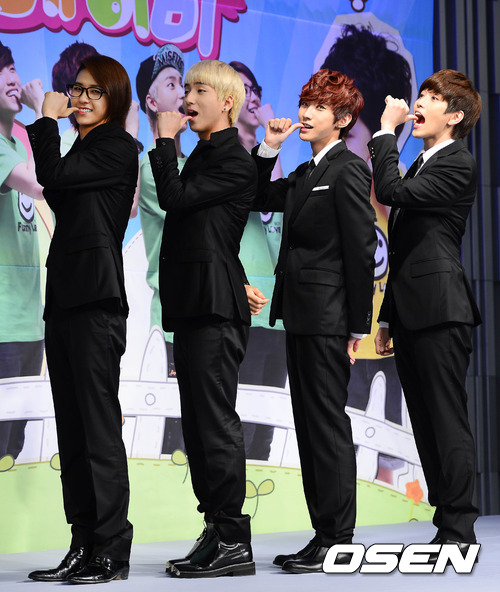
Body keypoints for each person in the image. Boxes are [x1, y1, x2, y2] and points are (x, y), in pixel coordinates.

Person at [248, 69, 376, 573]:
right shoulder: (304, 171)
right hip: (299, 315)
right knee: (308, 426)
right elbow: (257, 197)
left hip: (329, 318)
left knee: (326, 425)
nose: (305, 113)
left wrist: (358, 326)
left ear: (342, 119)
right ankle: (323, 534)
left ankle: (338, 539)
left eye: (319, 106)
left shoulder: (349, 169)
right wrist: (268, 148)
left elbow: (360, 250)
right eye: (305, 103)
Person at [26, 55, 138, 584]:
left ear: (114, 100)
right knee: (72, 431)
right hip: (66, 300)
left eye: (96, 91)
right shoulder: (84, 148)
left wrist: (45, 118)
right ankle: (83, 542)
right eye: (78, 89)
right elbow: (56, 187)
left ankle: (112, 548)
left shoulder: (117, 146)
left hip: (96, 302)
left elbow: (51, 175)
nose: (83, 98)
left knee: (97, 429)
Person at [148, 59, 257, 578]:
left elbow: (174, 200)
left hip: (215, 309)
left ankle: (233, 538)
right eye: (185, 89)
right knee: (196, 427)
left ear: (227, 103)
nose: (187, 99)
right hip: (196, 306)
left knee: (214, 423)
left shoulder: (233, 159)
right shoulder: (204, 154)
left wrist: (163, 141)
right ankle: (215, 527)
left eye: (199, 90)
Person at [370, 69, 482, 558]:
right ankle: (446, 522)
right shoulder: (421, 162)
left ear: (454, 116)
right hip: (413, 312)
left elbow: (390, 193)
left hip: (441, 309)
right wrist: (387, 318)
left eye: (431, 97)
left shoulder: (458, 162)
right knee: (424, 420)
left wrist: (383, 132)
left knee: (445, 419)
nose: (418, 103)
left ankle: (459, 526)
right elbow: (404, 249)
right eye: (421, 94)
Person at [321, 25, 412, 465]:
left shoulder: (399, 192)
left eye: (349, 133)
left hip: (389, 349)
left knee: (390, 464)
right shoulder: (321, 184)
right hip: (339, 345)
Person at [229, 60, 287, 461]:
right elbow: (254, 192)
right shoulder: (226, 157)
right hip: (244, 303)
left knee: (267, 422)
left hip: (277, 310)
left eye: (256, 90)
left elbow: (277, 197)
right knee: (242, 414)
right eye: (243, 90)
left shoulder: (269, 153)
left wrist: (271, 143)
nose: (252, 98)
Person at [136, 43, 186, 453]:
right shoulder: (152, 164)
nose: (183, 93)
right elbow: (190, 217)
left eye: (184, 83)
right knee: (176, 438)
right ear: (151, 103)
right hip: (174, 314)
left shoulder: (197, 162)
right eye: (171, 84)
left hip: (204, 310)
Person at [0, 41, 44, 466]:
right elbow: (41, 185)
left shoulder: (21, 141)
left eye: (13, 67)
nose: (13, 78)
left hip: (31, 321)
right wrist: (43, 112)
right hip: (3, 322)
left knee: (13, 452)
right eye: (2, 71)